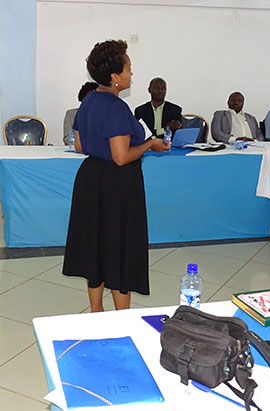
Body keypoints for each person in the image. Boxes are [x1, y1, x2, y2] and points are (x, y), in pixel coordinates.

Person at [62, 40, 168, 312]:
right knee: (120, 250)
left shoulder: (89, 101)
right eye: (128, 68)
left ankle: (96, 310)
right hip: (117, 185)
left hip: (90, 180)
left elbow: (79, 145)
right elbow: (121, 157)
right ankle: (122, 318)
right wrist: (150, 144)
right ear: (114, 76)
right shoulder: (116, 107)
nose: (131, 73)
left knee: (95, 246)